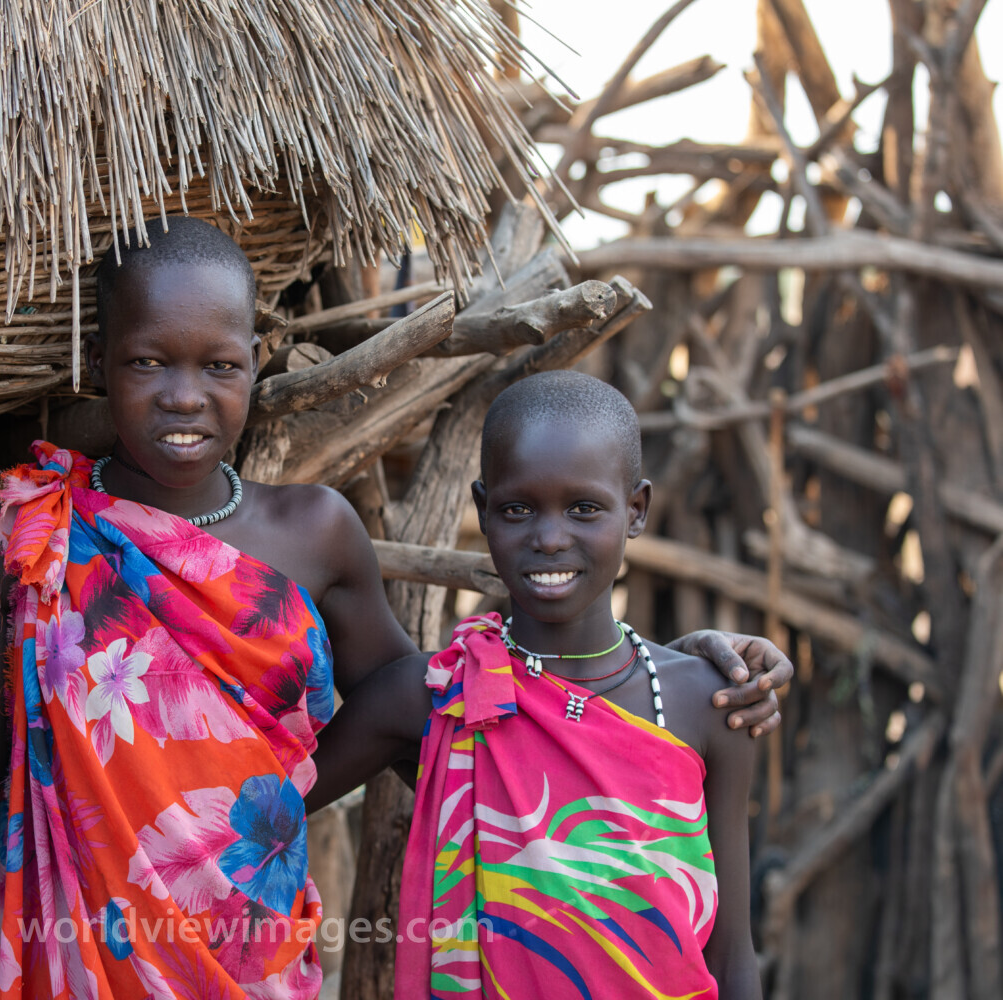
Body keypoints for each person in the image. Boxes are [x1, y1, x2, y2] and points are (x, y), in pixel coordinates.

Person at [0, 218, 786, 1000]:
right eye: (149, 361)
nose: (182, 397)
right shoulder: (24, 542)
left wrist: (685, 669)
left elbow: (468, 722)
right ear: (100, 364)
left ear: (259, 363)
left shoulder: (317, 538)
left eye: (218, 364)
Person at [306, 369, 762, 999]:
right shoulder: (432, 697)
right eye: (518, 509)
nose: (550, 538)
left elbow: (733, 954)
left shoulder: (706, 702)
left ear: (636, 510)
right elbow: (250, 813)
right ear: (482, 510)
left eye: (584, 508)